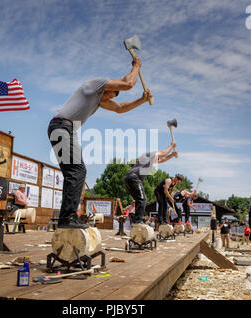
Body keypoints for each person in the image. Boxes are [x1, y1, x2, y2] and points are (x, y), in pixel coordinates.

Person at [48, 55, 153, 229]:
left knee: (74, 172)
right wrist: (136, 66)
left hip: (66, 130)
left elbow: (120, 108)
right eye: (109, 96)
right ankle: (67, 218)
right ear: (107, 89)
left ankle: (67, 218)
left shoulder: (98, 100)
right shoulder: (94, 85)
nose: (108, 101)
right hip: (61, 127)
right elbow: (128, 83)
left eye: (110, 99)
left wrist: (141, 100)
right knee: (77, 171)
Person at [124, 142, 178, 225]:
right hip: (134, 177)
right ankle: (138, 221)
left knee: (139, 200)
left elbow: (161, 160)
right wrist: (172, 146)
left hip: (128, 178)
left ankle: (136, 221)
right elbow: (163, 154)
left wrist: (171, 155)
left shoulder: (145, 160)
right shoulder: (149, 155)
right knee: (142, 199)